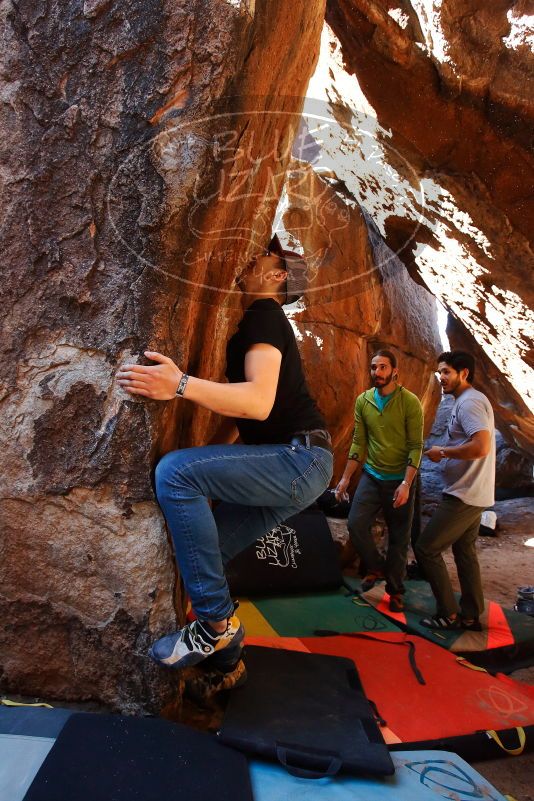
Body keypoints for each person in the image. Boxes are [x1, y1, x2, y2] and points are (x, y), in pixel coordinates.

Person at [118, 235, 333, 670]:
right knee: (205, 552)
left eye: (265, 253)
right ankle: (227, 662)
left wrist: (178, 386)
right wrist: (217, 462)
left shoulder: (265, 313)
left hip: (297, 460)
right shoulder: (256, 322)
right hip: (298, 465)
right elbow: (247, 416)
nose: (253, 254)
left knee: (176, 474)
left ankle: (214, 625)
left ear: (276, 276)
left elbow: (257, 402)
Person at [334, 351, 424, 612]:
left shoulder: (410, 402)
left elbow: (416, 446)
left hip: (401, 479)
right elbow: (359, 442)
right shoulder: (364, 401)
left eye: (383, 367)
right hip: (372, 476)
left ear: (395, 371)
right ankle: (376, 566)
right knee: (355, 523)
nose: (377, 372)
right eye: (374, 368)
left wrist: (407, 483)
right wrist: (344, 479)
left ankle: (395, 591)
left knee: (398, 537)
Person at [416, 350, 495, 631]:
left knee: (426, 548)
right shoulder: (469, 400)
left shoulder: (470, 403)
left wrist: (443, 452)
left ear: (464, 373)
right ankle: (471, 614)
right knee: (464, 551)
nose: (441, 378)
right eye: (440, 373)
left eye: (447, 372)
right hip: (474, 492)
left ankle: (447, 614)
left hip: (464, 494)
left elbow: (481, 446)